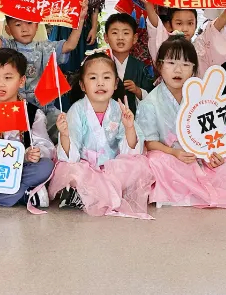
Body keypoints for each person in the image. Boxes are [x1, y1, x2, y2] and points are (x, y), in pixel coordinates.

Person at [136, 37, 226, 209]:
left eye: (186, 64)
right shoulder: (150, 102)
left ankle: (193, 189)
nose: (178, 70)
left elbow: (216, 132)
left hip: (202, 156)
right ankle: (191, 191)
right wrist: (174, 153)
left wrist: (214, 153)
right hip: (173, 158)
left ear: (194, 69)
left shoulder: (203, 96)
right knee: (155, 162)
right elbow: (150, 142)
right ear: (159, 65)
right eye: (171, 62)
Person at [48, 53, 154, 217]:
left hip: (112, 167)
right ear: (83, 85)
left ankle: (86, 196)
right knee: (69, 169)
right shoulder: (77, 110)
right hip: (85, 165)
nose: (100, 83)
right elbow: (71, 154)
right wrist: (64, 134)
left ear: (115, 83)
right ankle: (85, 193)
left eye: (106, 77)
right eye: (93, 78)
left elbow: (131, 151)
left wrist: (129, 127)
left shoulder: (120, 110)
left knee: (137, 166)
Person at [0, 49, 55, 208]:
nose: (0, 84)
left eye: (8, 78)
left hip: (20, 167)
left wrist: (36, 152)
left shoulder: (33, 113)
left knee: (46, 166)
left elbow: (47, 147)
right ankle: (25, 195)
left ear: (21, 81)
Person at [0, 4, 83, 108]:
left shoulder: (44, 48)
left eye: (29, 23)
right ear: (8, 29)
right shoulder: (8, 47)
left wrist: (80, 19)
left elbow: (70, 45)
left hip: (41, 107)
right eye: (18, 24)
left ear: (37, 26)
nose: (25, 29)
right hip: (14, 106)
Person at [142, 2, 226, 74]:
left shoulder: (201, 46)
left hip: (197, 94)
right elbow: (156, 27)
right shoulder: (166, 44)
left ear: (196, 24)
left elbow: (215, 28)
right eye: (179, 23)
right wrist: (148, 5)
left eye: (190, 23)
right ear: (170, 25)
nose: (185, 29)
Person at [101, 13, 153, 113]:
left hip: (134, 120)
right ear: (106, 37)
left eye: (126, 33)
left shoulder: (140, 67)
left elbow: (152, 97)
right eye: (115, 33)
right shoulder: (100, 65)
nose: (120, 37)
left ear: (134, 38)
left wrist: (137, 90)